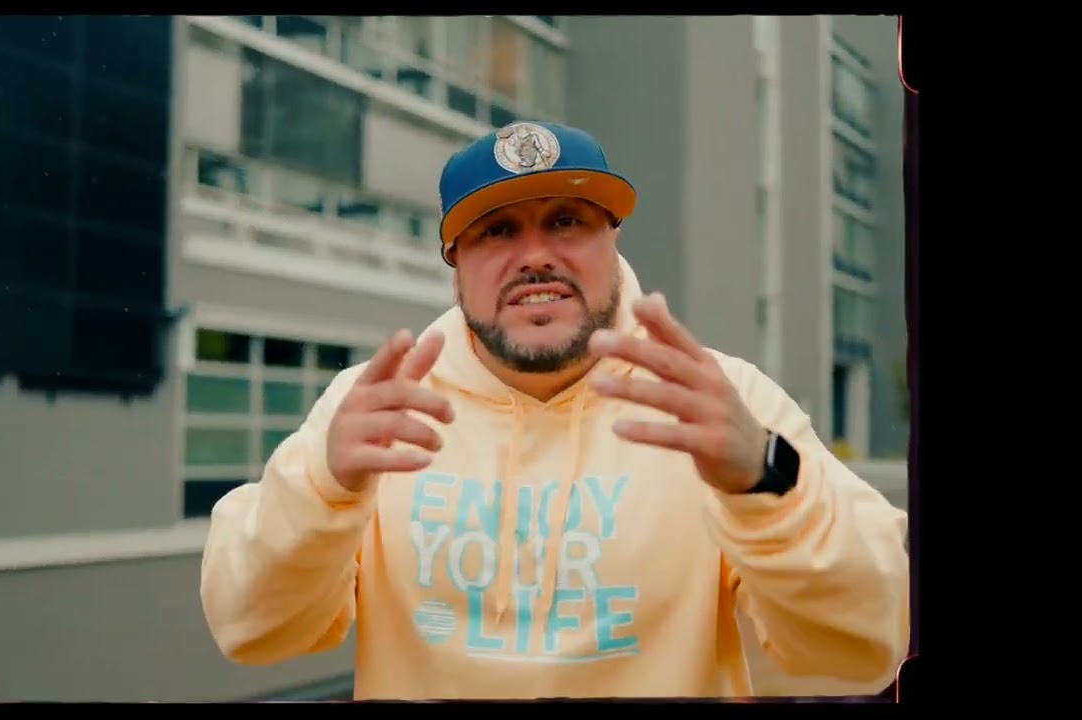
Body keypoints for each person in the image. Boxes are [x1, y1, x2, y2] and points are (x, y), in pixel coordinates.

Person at [200, 121, 909, 700]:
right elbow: (251, 630)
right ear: (455, 263)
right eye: (497, 231)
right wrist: (322, 488)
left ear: (613, 241)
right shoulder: (376, 407)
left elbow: (865, 645)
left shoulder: (719, 400)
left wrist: (765, 479)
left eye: (567, 220)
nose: (535, 255)